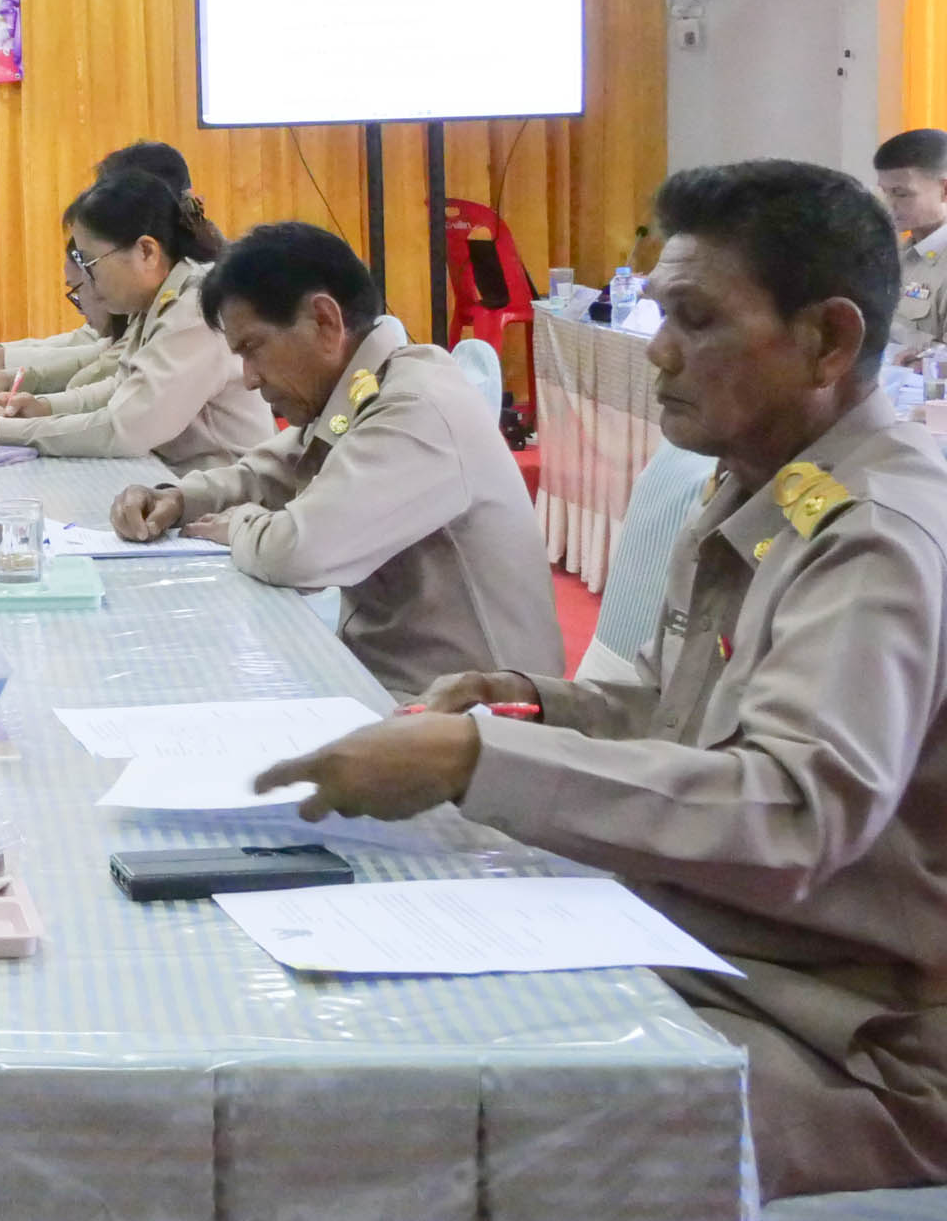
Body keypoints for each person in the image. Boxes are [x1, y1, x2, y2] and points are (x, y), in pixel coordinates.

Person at [254, 160, 947, 1201]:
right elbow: (687, 713)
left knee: (441, 1123)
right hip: (715, 948)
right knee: (380, 1026)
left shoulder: (874, 535)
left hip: (849, 1039)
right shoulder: (759, 484)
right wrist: (530, 701)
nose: (657, 350)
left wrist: (476, 756)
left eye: (695, 319)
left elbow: (794, 810)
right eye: (661, 313)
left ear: (828, 341)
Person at [108, 222, 560, 696]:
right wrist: (178, 498)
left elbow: (299, 551)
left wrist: (237, 524)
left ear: (325, 322)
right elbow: (271, 471)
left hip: (473, 710)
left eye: (253, 349)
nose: (249, 378)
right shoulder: (366, 385)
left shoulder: (415, 407)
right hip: (398, 683)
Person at [0, 171, 272, 472]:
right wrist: (42, 408)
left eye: (90, 264)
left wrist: (1, 432)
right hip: (171, 479)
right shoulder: (156, 299)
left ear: (146, 251)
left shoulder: (193, 311)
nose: (88, 280)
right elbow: (121, 388)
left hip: (223, 496)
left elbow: (125, 428)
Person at [0, 141, 194, 393]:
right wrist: (9, 372)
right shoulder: (152, 285)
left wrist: (18, 390)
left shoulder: (189, 298)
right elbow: (97, 347)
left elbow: (113, 389)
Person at [874, 127, 947, 360]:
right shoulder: (898, 254)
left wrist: (925, 360)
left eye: (901, 194)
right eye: (886, 192)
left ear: (944, 190)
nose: (889, 204)